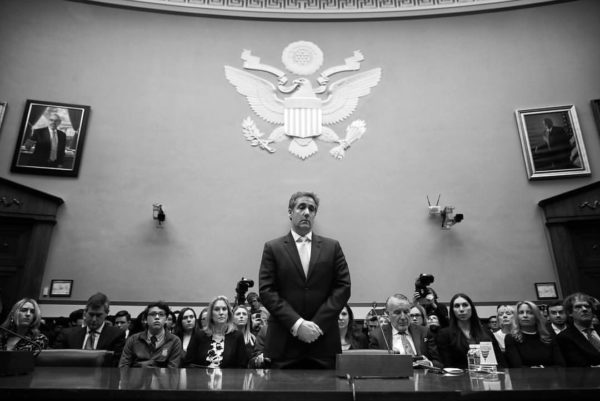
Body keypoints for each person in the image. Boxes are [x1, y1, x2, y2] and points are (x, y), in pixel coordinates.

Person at [259, 191, 351, 369]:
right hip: (284, 344)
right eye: (301, 207)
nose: (307, 212)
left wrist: (317, 325)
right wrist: (298, 324)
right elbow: (267, 291)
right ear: (290, 212)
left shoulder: (332, 247)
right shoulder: (273, 248)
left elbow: (343, 287)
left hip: (323, 343)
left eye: (312, 209)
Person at [369, 294, 442, 368]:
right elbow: (373, 366)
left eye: (406, 312)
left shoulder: (424, 332)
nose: (403, 317)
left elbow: (438, 362)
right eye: (397, 313)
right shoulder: (377, 336)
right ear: (388, 314)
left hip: (423, 377)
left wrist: (429, 364)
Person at [436, 293, 505, 369]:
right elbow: (447, 365)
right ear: (452, 311)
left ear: (471, 308)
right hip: (459, 378)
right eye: (457, 306)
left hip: (489, 377)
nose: (461, 309)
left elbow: (500, 360)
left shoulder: (486, 332)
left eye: (465, 305)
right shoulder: (444, 334)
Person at [53, 292, 125, 364]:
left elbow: (116, 364)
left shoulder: (116, 335)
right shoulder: (68, 335)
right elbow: (56, 360)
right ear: (85, 312)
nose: (94, 319)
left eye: (98, 315)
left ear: (106, 313)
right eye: (91, 314)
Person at [183, 295, 248, 368]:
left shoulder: (237, 336)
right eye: (217, 309)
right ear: (211, 314)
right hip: (202, 378)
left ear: (228, 313)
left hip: (229, 379)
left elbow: (242, 366)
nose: (221, 312)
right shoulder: (199, 335)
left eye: (224, 309)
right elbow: (188, 364)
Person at [119, 301, 183, 368]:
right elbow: (123, 367)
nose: (157, 317)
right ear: (146, 319)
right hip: (136, 377)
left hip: (163, 378)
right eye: (153, 314)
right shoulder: (133, 339)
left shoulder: (174, 341)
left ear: (166, 319)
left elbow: (172, 370)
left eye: (161, 314)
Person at [504, 300, 564, 368]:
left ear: (536, 316)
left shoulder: (549, 335)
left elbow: (560, 364)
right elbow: (517, 366)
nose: (525, 316)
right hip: (525, 377)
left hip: (552, 376)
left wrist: (540, 368)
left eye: (530, 313)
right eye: (521, 313)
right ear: (516, 317)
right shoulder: (511, 338)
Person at [556, 292, 600, 367]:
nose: (584, 309)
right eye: (578, 307)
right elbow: (579, 364)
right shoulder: (565, 337)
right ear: (570, 313)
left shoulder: (598, 329)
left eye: (587, 306)